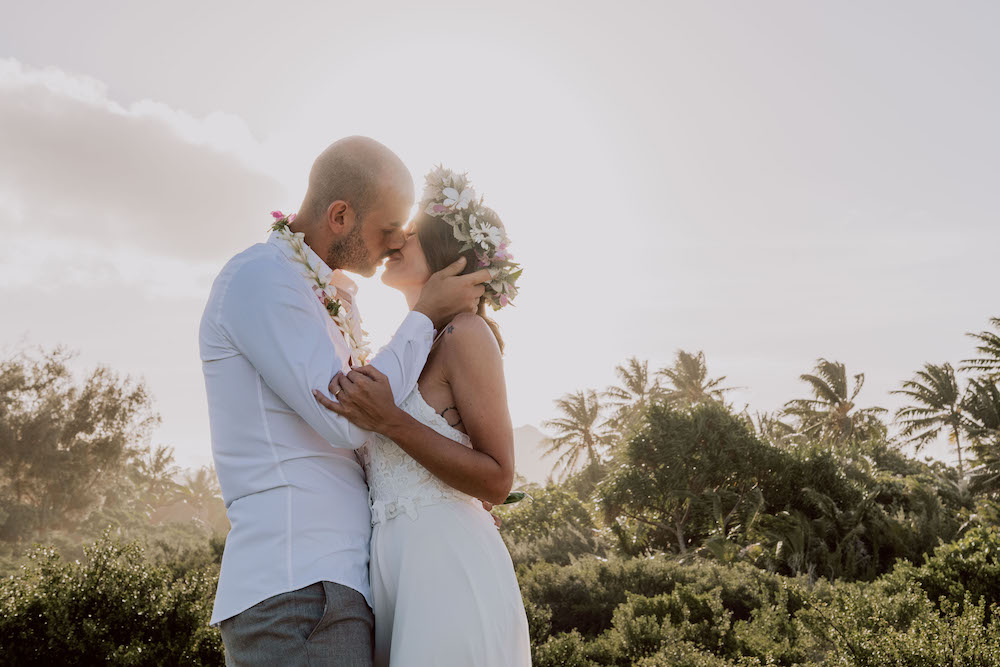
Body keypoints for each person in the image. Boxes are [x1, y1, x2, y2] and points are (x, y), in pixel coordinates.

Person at [199, 137, 492, 666]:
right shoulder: (262, 279)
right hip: (297, 583)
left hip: (340, 584)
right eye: (387, 228)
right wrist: (424, 315)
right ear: (340, 216)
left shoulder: (326, 295)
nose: (396, 243)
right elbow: (350, 419)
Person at [314, 166, 530, 666]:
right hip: (393, 570)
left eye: (410, 234)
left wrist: (392, 421)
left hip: (446, 565)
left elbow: (499, 479)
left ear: (447, 259)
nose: (395, 240)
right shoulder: (406, 349)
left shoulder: (465, 335)